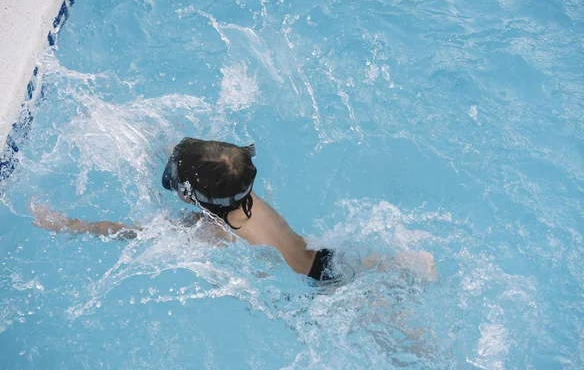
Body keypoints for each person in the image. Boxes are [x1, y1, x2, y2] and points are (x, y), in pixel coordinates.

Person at [31, 137, 437, 282]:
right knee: (365, 269)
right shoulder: (240, 187)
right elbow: (212, 163)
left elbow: (129, 232)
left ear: (192, 198)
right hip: (323, 259)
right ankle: (401, 265)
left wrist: (69, 224)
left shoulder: (209, 229)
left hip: (317, 289)